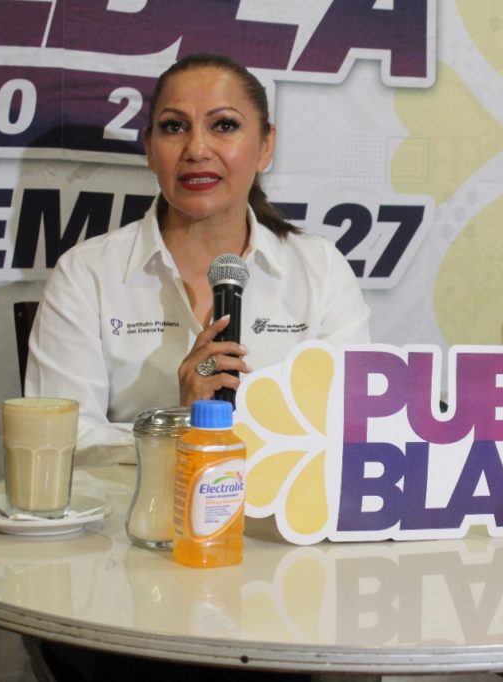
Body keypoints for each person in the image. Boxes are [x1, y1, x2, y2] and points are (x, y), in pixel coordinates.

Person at [26, 53, 371, 464]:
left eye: (224, 125)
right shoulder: (87, 273)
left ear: (265, 146)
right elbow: (57, 445)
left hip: (278, 503)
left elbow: (350, 428)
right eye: (174, 127)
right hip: (134, 503)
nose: (197, 149)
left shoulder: (320, 269)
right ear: (150, 147)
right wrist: (178, 427)